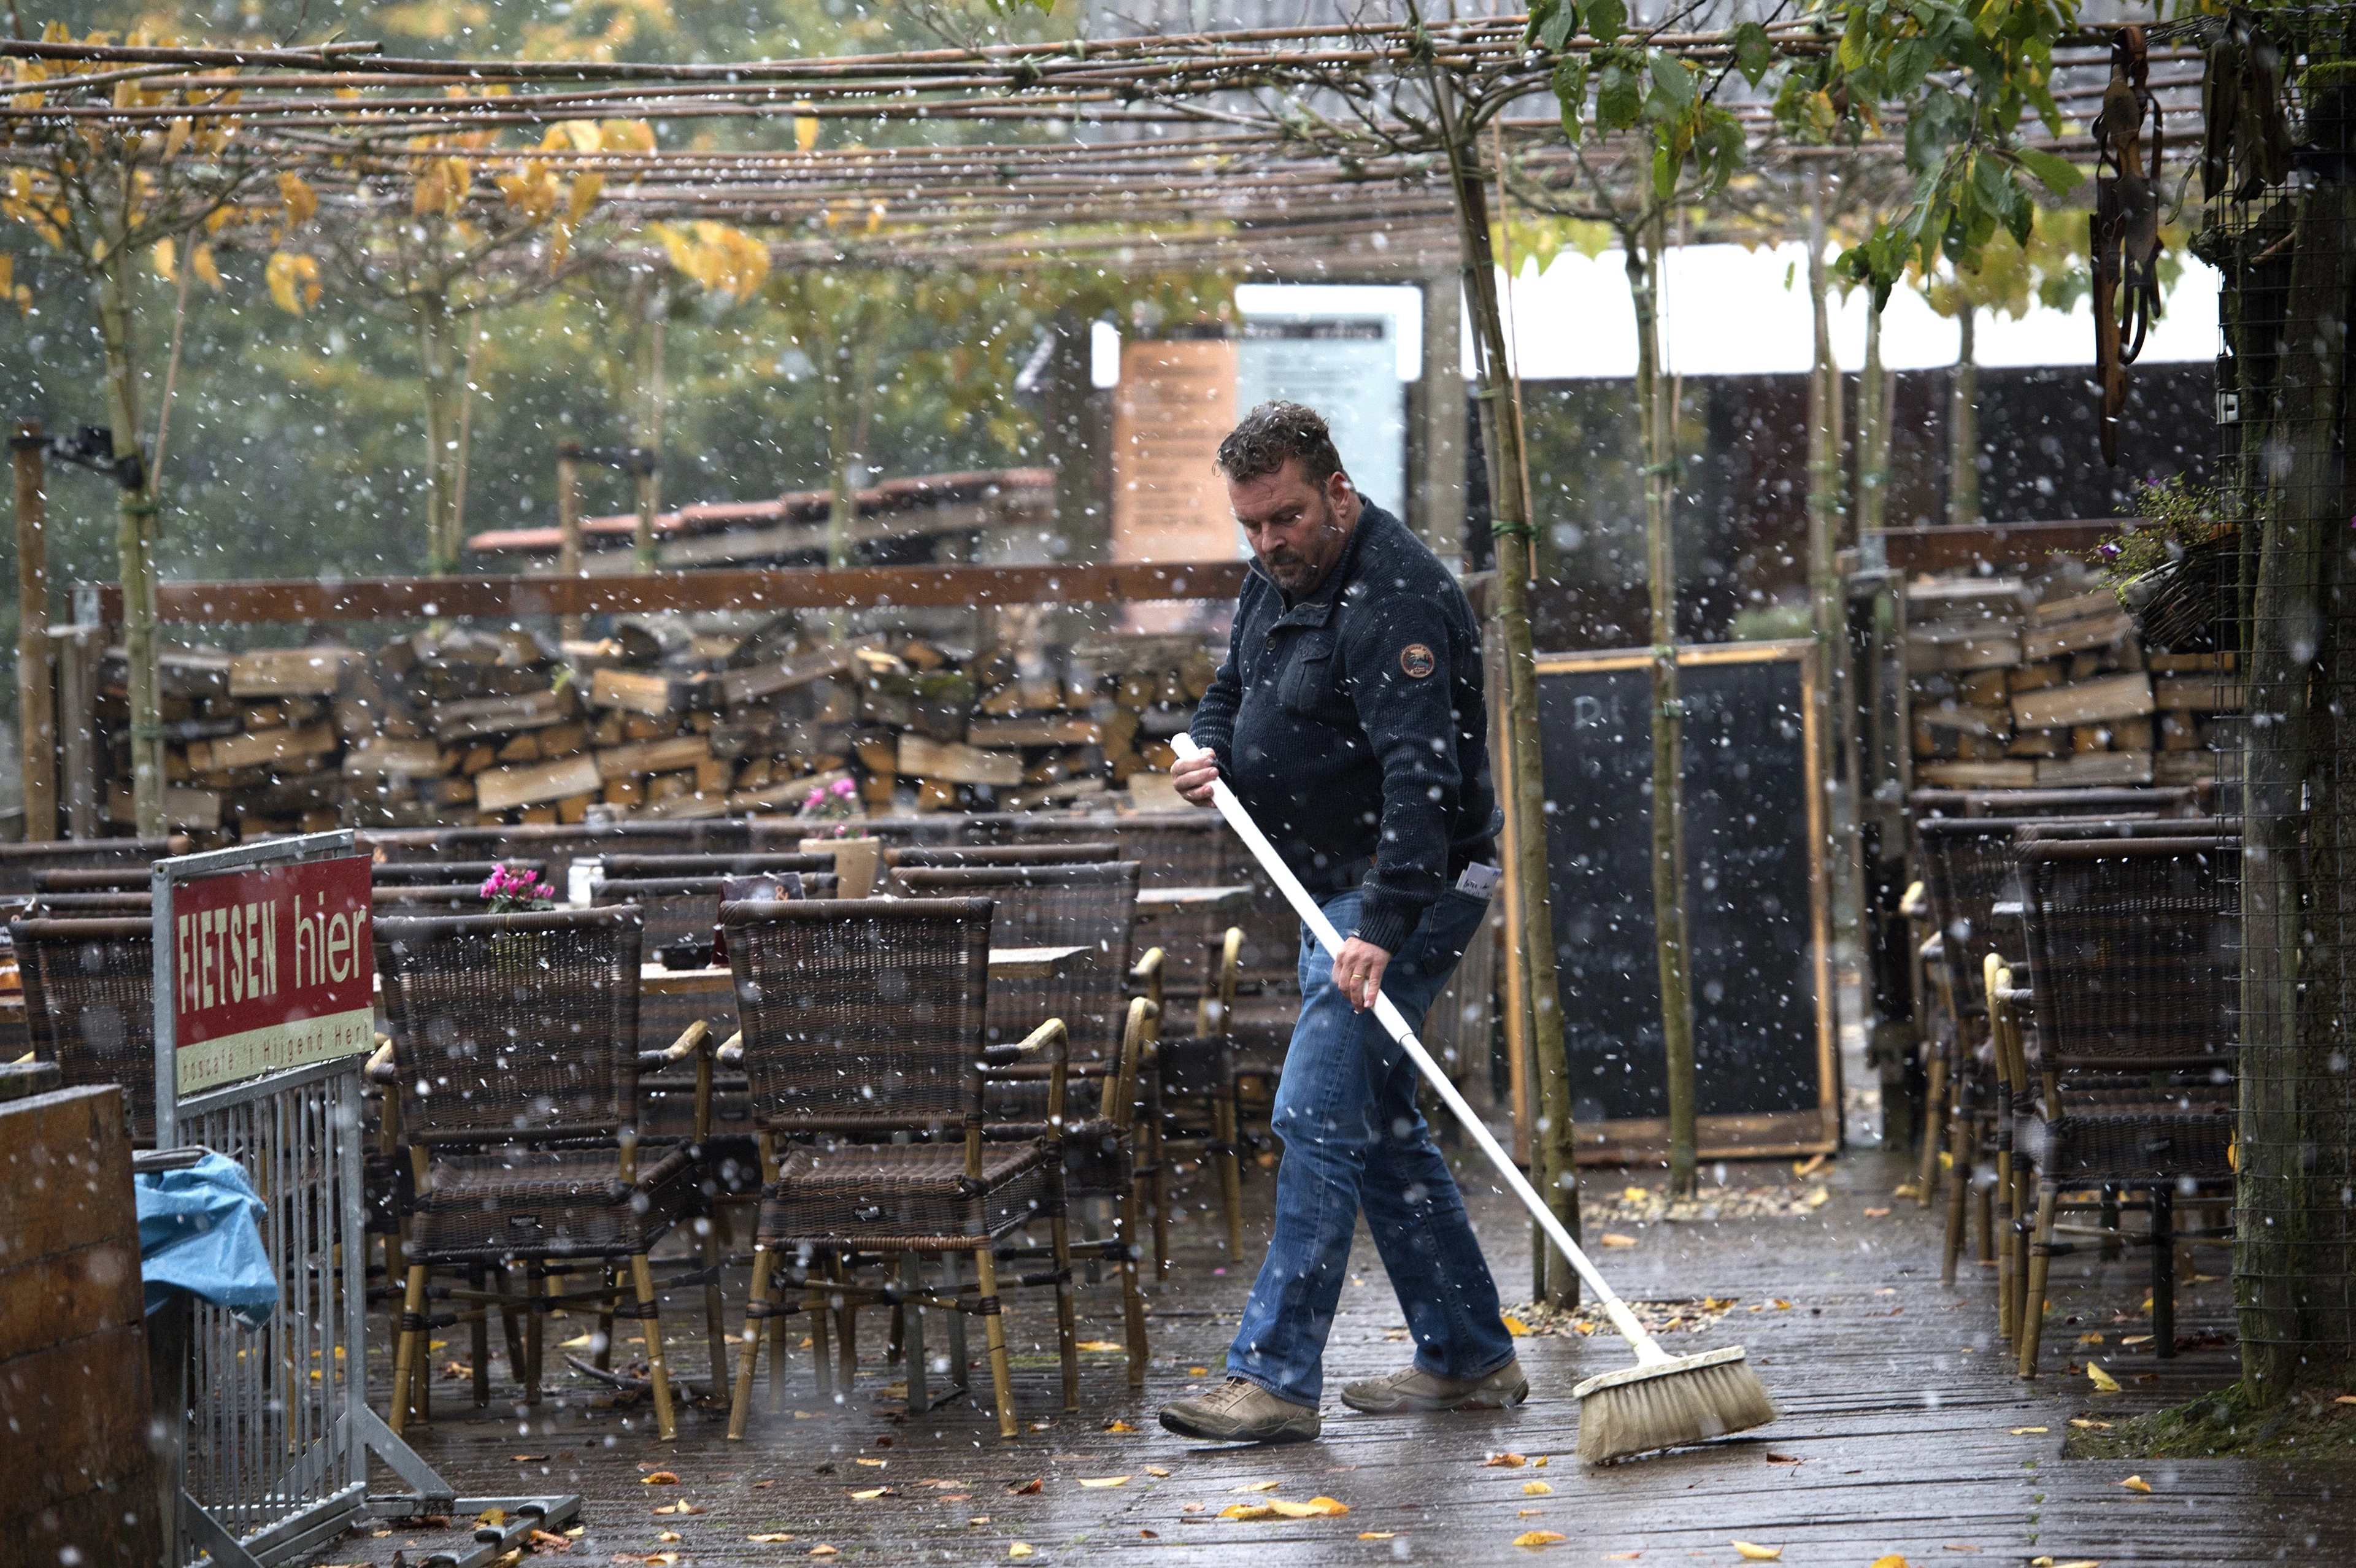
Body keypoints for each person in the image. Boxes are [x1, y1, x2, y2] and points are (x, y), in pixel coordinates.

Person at [1157, 401, 1522, 1446]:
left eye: (1286, 519)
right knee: (1382, 1125)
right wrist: (1209, 755)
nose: (1269, 544)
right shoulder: (1279, 577)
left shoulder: (1399, 598)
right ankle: (1469, 1356)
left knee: (1316, 1112)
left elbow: (1423, 780)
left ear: (1339, 496)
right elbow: (1230, 689)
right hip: (1331, 884)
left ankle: (1273, 1378)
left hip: (1410, 882)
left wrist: (1385, 924)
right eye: (1252, 526)